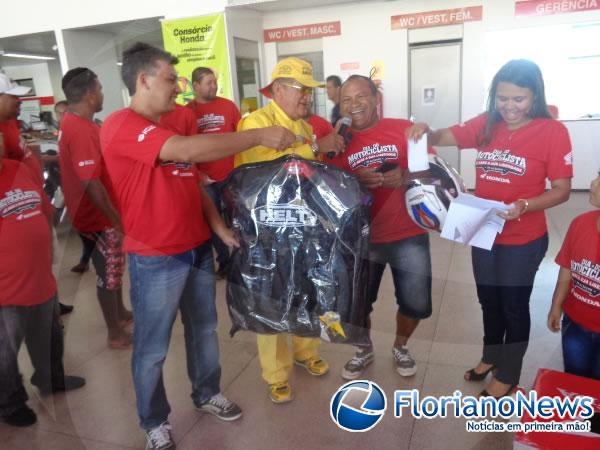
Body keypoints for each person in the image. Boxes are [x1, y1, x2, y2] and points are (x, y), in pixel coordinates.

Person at [100, 42, 294, 450]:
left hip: (197, 248)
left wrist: (219, 228)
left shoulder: (167, 127)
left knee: (204, 330)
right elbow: (188, 152)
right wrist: (256, 135)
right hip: (155, 257)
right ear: (143, 80)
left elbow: (193, 181)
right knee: (152, 348)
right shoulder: (121, 125)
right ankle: (154, 420)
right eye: (171, 80)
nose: (178, 89)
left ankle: (206, 394)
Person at [407, 59, 573, 398]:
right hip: (483, 228)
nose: (509, 107)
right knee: (488, 299)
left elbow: (561, 189)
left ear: (535, 96)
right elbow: (446, 135)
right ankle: (490, 355)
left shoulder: (553, 132)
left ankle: (508, 374)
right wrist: (426, 131)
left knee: (513, 304)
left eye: (519, 99)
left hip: (524, 237)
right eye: (502, 98)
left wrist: (524, 206)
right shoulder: (487, 124)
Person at [235, 56, 345, 404]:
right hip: (268, 230)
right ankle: (276, 374)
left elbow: (309, 173)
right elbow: (265, 174)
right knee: (272, 299)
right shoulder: (256, 122)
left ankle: (305, 350)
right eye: (301, 91)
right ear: (278, 90)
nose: (307, 99)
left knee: (307, 292)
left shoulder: (307, 125)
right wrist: (314, 148)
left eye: (310, 93)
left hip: (305, 225)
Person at [329, 75, 433, 381]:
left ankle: (401, 346)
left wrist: (406, 175)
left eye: (361, 96)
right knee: (358, 305)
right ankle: (363, 349)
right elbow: (328, 189)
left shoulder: (403, 128)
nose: (354, 104)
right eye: (346, 99)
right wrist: (355, 180)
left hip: (408, 233)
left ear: (376, 98)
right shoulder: (338, 140)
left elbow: (432, 173)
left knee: (416, 303)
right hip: (360, 239)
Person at [0, 139, 85, 428]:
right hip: (5, 290)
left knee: (49, 337)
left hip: (40, 277)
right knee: (5, 350)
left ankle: (50, 379)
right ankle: (10, 403)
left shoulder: (17, 169)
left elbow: (44, 208)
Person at [58, 67, 132, 349]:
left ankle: (121, 313)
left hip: (94, 213)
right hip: (98, 216)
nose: (102, 94)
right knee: (107, 272)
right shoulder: (80, 129)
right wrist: (116, 221)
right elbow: (91, 184)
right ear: (90, 95)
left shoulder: (74, 122)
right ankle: (115, 333)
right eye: (100, 89)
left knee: (113, 267)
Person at [186, 67, 241, 278]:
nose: (214, 86)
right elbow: (185, 149)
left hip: (231, 175)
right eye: (208, 82)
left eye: (214, 81)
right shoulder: (187, 111)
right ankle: (224, 262)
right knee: (213, 221)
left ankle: (238, 261)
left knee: (238, 219)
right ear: (195, 86)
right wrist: (197, 175)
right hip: (204, 181)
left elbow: (241, 137)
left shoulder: (228, 106)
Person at [548, 172, 600, 380]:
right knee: (575, 378)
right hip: (575, 323)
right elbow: (566, 268)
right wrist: (556, 304)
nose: (593, 183)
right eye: (597, 176)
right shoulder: (580, 224)